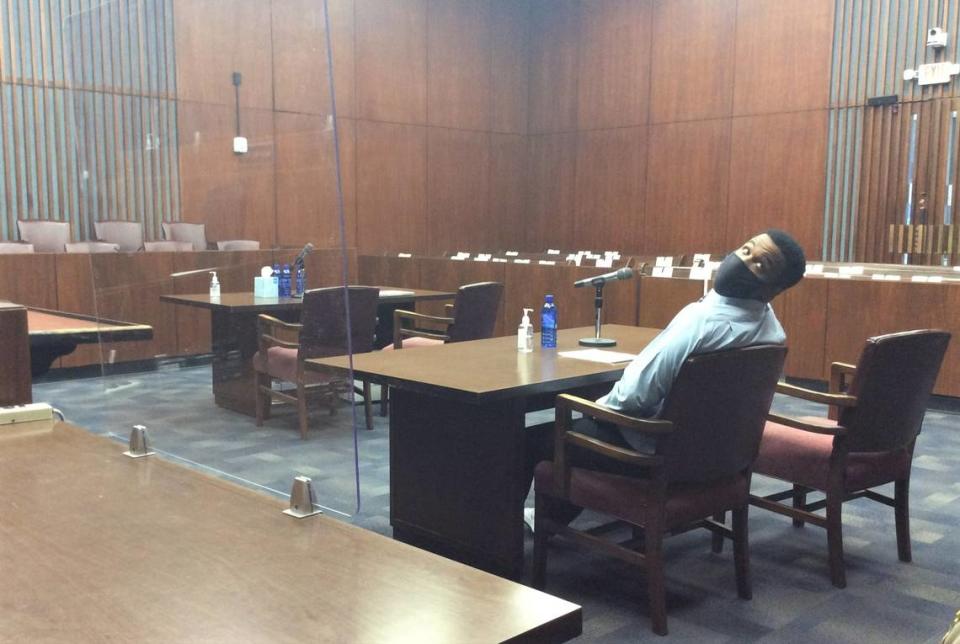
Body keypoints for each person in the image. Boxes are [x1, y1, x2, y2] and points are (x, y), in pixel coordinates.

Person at [524, 230, 807, 508]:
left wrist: (591, 408)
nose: (743, 260)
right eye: (746, 250)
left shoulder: (702, 322)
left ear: (774, 288)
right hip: (716, 455)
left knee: (530, 442)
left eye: (759, 264)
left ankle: (516, 540)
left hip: (654, 454)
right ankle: (555, 519)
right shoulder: (773, 331)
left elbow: (632, 399)